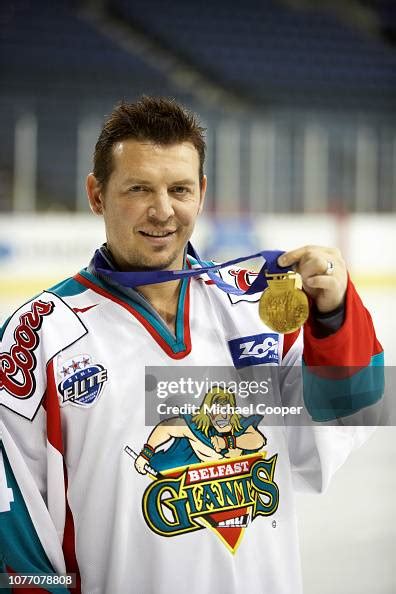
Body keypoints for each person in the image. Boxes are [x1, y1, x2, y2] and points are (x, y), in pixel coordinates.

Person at [0, 96, 384, 593]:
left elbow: (344, 422)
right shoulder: (40, 338)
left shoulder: (257, 312)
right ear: (97, 195)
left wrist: (333, 319)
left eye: (179, 189)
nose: (162, 211)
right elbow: (14, 544)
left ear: (201, 192)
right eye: (139, 188)